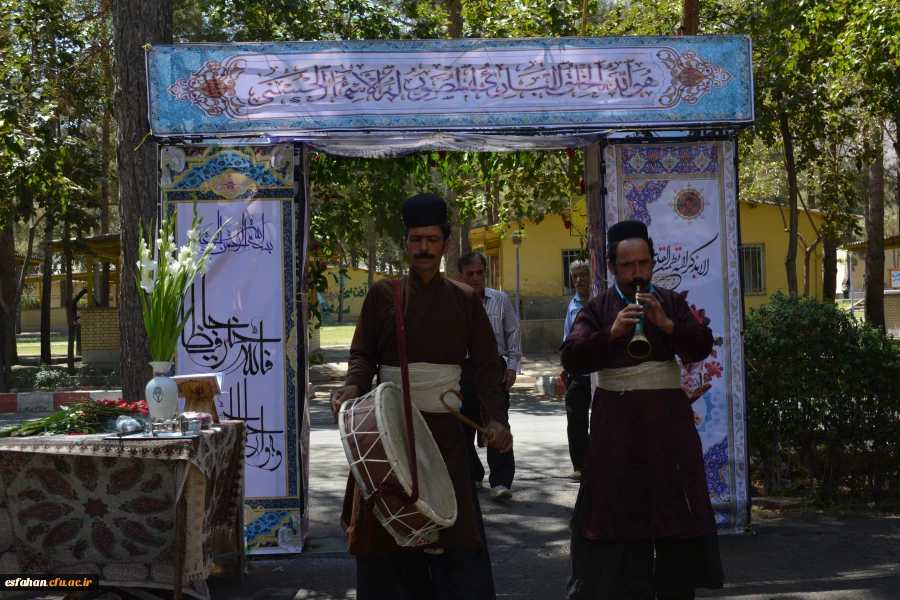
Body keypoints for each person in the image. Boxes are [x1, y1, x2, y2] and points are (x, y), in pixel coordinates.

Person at [330, 192, 514, 600]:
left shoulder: (466, 300)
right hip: (389, 436)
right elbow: (362, 356)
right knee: (385, 555)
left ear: (446, 244)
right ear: (406, 242)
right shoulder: (382, 295)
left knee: (458, 549)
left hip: (447, 441)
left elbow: (487, 367)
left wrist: (496, 419)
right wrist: (353, 386)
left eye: (432, 239)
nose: (424, 248)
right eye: (416, 240)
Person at [560, 220, 724, 600]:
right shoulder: (598, 309)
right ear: (613, 268)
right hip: (616, 434)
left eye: (643, 264)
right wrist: (612, 333)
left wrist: (667, 325)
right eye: (628, 266)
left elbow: (701, 345)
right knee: (620, 520)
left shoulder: (670, 302)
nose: (637, 274)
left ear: (652, 261)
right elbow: (571, 356)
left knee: (674, 519)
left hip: (668, 432)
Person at [458, 252, 522, 500]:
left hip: (494, 368)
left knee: (498, 422)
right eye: (470, 274)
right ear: (461, 275)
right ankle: (473, 474)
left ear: (486, 272)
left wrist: (512, 366)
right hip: (462, 370)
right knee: (462, 425)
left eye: (480, 272)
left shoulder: (500, 299)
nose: (475, 278)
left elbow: (513, 331)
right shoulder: (454, 301)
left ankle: (502, 482)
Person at [560, 259, 592, 480]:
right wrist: (563, 365)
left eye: (583, 274)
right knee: (575, 419)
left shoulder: (602, 299)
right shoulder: (572, 305)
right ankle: (579, 466)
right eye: (575, 276)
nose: (579, 280)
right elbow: (567, 336)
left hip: (600, 371)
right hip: (578, 372)